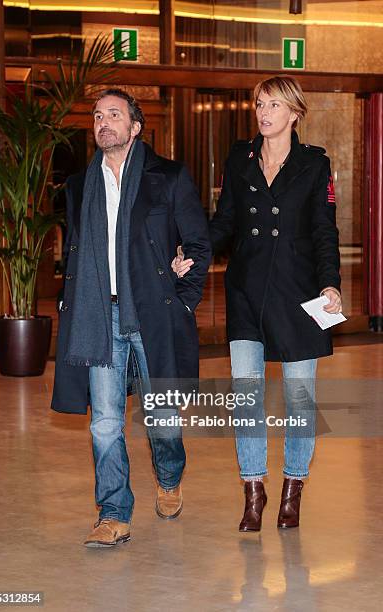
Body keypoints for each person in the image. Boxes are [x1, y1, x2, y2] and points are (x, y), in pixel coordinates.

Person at [173, 76, 341, 531]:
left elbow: (325, 230)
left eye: (273, 105)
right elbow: (224, 220)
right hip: (246, 292)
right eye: (259, 104)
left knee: (300, 400)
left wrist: (331, 285)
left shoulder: (313, 165)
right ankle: (253, 490)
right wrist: (193, 250)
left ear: (294, 113)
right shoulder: (239, 158)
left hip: (299, 293)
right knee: (245, 398)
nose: (263, 112)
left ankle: (293, 488)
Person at [51, 88, 211, 547]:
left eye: (114, 115)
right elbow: (79, 252)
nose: (104, 123)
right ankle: (114, 512)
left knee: (161, 418)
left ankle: (169, 473)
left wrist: (183, 299)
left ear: (135, 127)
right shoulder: (81, 185)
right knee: (104, 420)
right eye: (98, 116)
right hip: (98, 315)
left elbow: (198, 246)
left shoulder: (170, 176)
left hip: (151, 314)